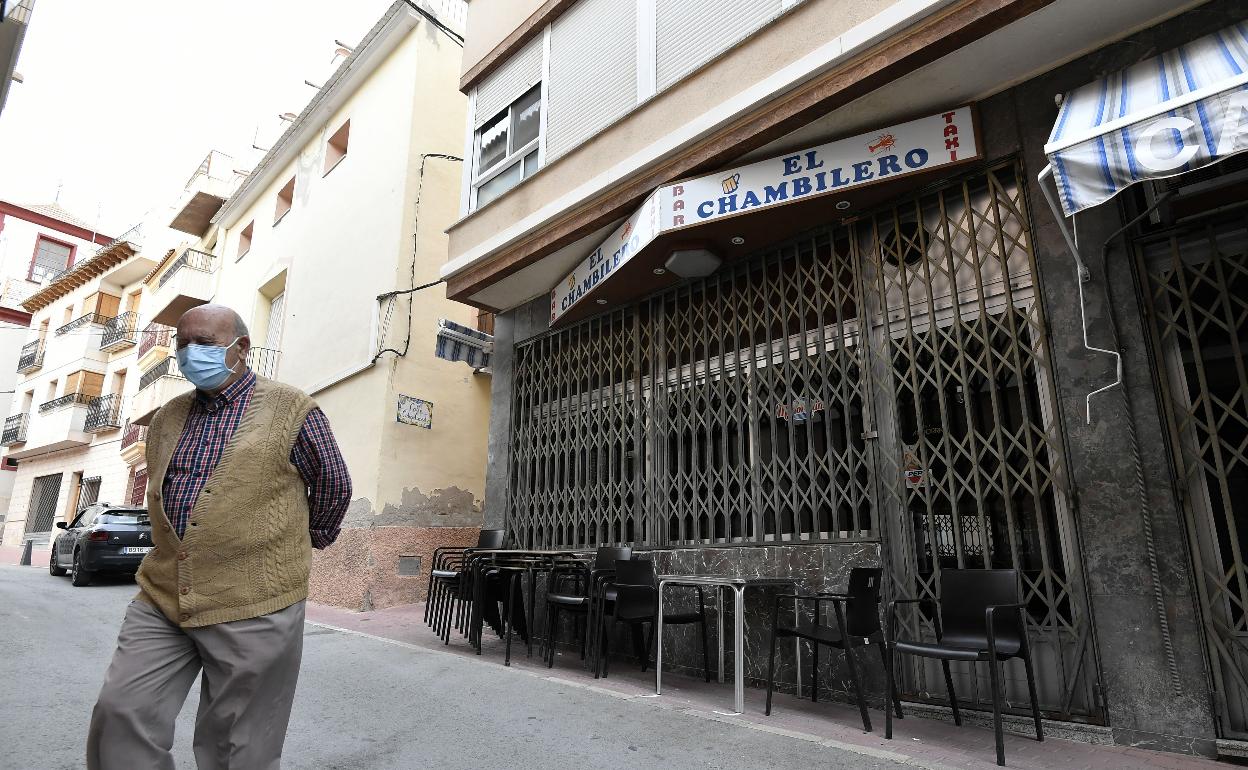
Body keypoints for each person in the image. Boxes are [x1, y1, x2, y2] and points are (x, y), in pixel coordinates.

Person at [86, 304, 352, 770]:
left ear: (241, 348)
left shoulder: (291, 408)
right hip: (165, 594)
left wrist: (286, 546)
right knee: (121, 711)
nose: (190, 353)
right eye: (183, 344)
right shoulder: (168, 415)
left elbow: (333, 484)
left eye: (204, 343)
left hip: (256, 600)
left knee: (237, 744)